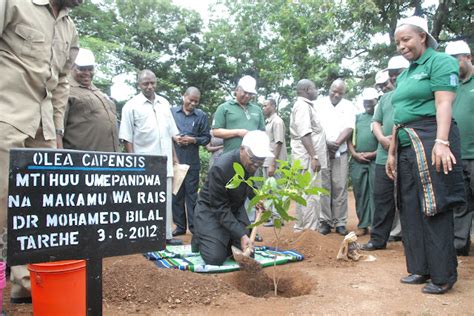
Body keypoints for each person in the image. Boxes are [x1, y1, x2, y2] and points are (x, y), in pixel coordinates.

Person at [0, 0, 81, 303]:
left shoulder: (69, 28)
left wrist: (57, 133)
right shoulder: (14, 3)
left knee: (39, 211)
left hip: (43, 129)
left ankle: (27, 285)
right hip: (6, 116)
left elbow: (62, 83)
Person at [386, 16, 464, 294]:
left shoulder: (440, 62)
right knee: (409, 207)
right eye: (397, 42)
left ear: (422, 36)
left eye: (406, 39)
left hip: (432, 138)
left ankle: (442, 275)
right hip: (407, 143)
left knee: (434, 205)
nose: (401, 46)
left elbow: (444, 101)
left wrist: (442, 142)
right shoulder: (406, 73)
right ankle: (420, 267)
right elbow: (399, 116)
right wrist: (393, 152)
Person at [119, 69, 182, 246]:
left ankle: (166, 235)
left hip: (166, 160)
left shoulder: (164, 103)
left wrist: (175, 158)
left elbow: (170, 134)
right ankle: (144, 236)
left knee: (166, 200)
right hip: (144, 162)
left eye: (152, 83)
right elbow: (127, 137)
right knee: (144, 200)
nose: (150, 86)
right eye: (146, 83)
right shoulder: (131, 106)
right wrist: (132, 163)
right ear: (139, 85)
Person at [192, 130, 274, 265]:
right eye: (254, 160)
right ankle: (199, 236)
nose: (256, 165)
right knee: (215, 258)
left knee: (249, 253)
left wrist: (257, 198)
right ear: (242, 150)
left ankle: (223, 238)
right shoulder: (221, 168)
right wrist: (241, 235)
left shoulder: (249, 164)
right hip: (211, 210)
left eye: (261, 161)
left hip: (234, 209)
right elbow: (219, 208)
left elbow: (248, 183)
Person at [361, 55, 409, 251]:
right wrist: (381, 138)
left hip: (407, 153)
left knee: (409, 199)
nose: (395, 77)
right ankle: (378, 239)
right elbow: (375, 121)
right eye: (392, 74)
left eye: (398, 73)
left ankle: (411, 239)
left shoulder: (412, 95)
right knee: (382, 199)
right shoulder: (385, 98)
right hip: (383, 155)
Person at [315, 79, 356, 235]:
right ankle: (325, 221)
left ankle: (340, 222)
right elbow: (316, 128)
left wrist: (337, 144)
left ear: (343, 93)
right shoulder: (319, 104)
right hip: (322, 150)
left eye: (340, 92)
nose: (336, 94)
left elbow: (349, 127)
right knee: (323, 187)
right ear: (329, 88)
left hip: (341, 151)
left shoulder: (348, 105)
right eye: (334, 90)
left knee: (340, 187)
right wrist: (326, 144)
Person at [446, 40, 474, 256]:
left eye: (456, 59)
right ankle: (460, 245)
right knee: (461, 203)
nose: (453, 64)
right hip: (456, 154)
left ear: (468, 57)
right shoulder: (450, 86)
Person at [290, 79, 329, 231]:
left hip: (308, 158)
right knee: (309, 194)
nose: (317, 90)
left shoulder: (306, 106)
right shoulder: (302, 106)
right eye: (314, 88)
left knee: (308, 193)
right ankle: (308, 231)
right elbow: (304, 133)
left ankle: (304, 229)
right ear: (307, 89)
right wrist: (315, 156)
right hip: (307, 159)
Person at [171, 87, 211, 236]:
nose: (193, 103)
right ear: (184, 97)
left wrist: (193, 139)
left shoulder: (201, 115)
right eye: (191, 100)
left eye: (196, 101)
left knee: (192, 196)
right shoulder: (172, 113)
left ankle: (195, 227)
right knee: (176, 195)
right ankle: (180, 226)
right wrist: (176, 138)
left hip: (192, 162)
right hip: (175, 160)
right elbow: (165, 132)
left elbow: (207, 138)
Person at [63, 48, 119, 152]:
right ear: (72, 67)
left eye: (90, 69)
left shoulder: (99, 92)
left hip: (110, 160)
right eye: (82, 69)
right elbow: (57, 130)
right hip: (81, 161)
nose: (87, 73)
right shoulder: (66, 90)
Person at [347, 88, 379, 236]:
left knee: (376, 193)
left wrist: (373, 154)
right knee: (360, 193)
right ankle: (363, 224)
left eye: (370, 102)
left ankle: (375, 224)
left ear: (376, 101)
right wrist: (354, 154)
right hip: (358, 160)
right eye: (365, 102)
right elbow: (349, 138)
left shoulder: (380, 117)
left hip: (376, 159)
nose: (368, 104)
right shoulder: (357, 118)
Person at [212, 75, 265, 153]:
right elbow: (216, 132)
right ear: (237, 90)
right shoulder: (224, 108)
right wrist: (237, 132)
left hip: (252, 157)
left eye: (250, 93)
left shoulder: (257, 110)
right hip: (230, 156)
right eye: (245, 92)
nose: (247, 96)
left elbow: (262, 133)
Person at [262, 98, 288, 227]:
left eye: (266, 106)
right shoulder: (267, 122)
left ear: (273, 106)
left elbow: (278, 143)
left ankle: (278, 218)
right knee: (269, 190)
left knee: (276, 189)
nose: (264, 108)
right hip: (267, 160)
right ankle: (272, 215)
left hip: (274, 161)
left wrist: (273, 163)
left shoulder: (277, 121)